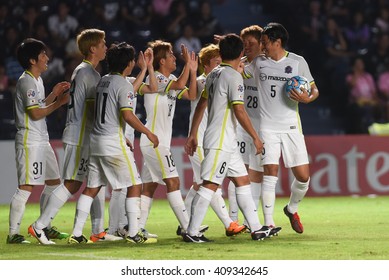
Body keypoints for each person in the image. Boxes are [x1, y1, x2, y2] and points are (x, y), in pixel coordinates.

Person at [27, 29, 120, 245]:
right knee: (72, 183)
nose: (106, 47)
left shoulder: (88, 72)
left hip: (86, 135)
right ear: (93, 48)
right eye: (103, 43)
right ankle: (39, 226)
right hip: (80, 135)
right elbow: (93, 109)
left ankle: (98, 230)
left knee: (96, 181)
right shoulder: (87, 73)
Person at [69, 42, 159, 244]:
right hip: (112, 142)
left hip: (96, 140)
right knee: (135, 185)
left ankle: (76, 234)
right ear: (129, 63)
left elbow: (121, 98)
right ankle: (134, 233)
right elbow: (127, 115)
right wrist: (149, 133)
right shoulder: (123, 84)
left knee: (92, 188)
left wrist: (144, 69)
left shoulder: (103, 81)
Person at [184, 33, 269, 243]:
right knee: (209, 185)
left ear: (220, 53)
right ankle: (192, 232)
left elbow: (201, 105)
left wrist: (193, 133)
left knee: (242, 181)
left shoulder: (213, 74)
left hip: (225, 141)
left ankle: (256, 228)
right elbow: (239, 110)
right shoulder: (233, 77)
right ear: (240, 53)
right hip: (220, 141)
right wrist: (255, 137)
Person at [243, 22, 320, 234]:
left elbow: (314, 90)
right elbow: (239, 70)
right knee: (270, 172)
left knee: (303, 177)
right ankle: (268, 223)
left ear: (277, 42)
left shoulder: (297, 62)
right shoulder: (258, 62)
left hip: (291, 126)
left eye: (265, 42)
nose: (263, 46)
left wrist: (307, 98)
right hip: (267, 127)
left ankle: (291, 208)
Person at [7, 38, 70, 244]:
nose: (47, 58)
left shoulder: (38, 80)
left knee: (53, 182)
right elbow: (35, 114)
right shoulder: (26, 81)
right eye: (43, 55)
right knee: (26, 186)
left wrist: (53, 93)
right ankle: (13, 233)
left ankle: (45, 226)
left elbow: (39, 104)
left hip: (42, 138)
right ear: (33, 60)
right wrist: (59, 103)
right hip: (30, 139)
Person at [183, 43, 246, 237]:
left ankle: (184, 223)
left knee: (200, 184)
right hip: (203, 140)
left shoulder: (213, 78)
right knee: (210, 183)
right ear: (206, 65)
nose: (220, 65)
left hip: (208, 139)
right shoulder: (205, 81)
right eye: (216, 62)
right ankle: (228, 223)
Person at [137, 40, 198, 237]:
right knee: (173, 182)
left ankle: (137, 228)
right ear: (161, 60)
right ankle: (189, 228)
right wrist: (188, 64)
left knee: (149, 186)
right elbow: (181, 84)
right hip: (156, 141)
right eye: (171, 54)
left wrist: (193, 71)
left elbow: (191, 94)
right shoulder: (157, 80)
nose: (174, 58)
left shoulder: (169, 78)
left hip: (155, 141)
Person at [107, 47, 158, 238]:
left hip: (124, 138)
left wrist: (150, 68)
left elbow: (153, 88)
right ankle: (116, 228)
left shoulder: (126, 81)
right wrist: (144, 70)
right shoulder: (119, 82)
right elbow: (133, 90)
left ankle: (121, 227)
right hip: (117, 137)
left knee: (122, 185)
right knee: (122, 185)